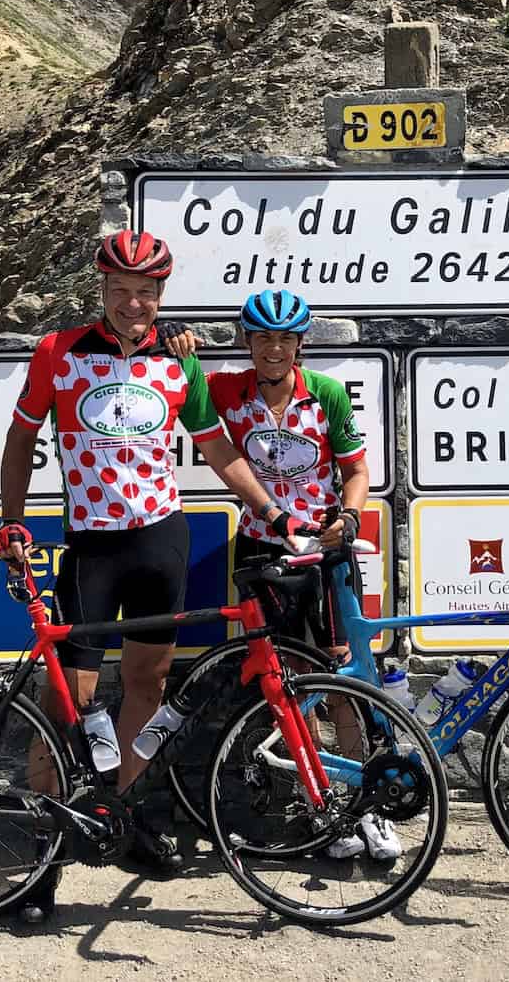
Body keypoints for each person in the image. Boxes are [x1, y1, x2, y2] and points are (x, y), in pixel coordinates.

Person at [0, 232, 306, 923]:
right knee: (64, 703)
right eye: (121, 291)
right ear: (101, 291)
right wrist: (12, 522)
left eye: (146, 292)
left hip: (162, 538)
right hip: (93, 548)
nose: (134, 304)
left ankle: (120, 819)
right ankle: (43, 857)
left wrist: (269, 507)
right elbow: (21, 440)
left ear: (162, 296)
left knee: (147, 685)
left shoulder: (179, 361)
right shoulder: (59, 353)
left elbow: (216, 447)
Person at [205, 289, 400, 863]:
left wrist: (349, 514)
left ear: (300, 344)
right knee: (286, 686)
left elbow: (357, 469)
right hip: (262, 550)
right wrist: (179, 344)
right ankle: (323, 811)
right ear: (247, 341)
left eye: (285, 338)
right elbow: (178, 374)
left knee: (343, 676)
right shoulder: (226, 391)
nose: (273, 348)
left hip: (325, 551)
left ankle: (369, 804)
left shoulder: (328, 394)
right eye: (263, 337)